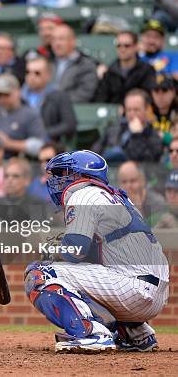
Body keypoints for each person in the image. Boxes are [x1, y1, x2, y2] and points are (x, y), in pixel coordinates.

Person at [25, 150, 169, 352]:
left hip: (131, 288)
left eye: (64, 173)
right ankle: (135, 333)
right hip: (155, 293)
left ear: (84, 175)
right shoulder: (117, 197)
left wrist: (48, 250)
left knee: (40, 274)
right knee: (86, 274)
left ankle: (92, 334)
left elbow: (74, 251)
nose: (58, 180)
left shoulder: (84, 194)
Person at [94, 89, 164, 163]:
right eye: (129, 110)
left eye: (136, 110)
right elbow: (95, 153)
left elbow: (147, 161)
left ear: (146, 110)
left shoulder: (154, 135)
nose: (132, 114)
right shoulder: (114, 130)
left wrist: (137, 135)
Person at [21, 55, 76, 141]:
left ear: (48, 75)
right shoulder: (17, 96)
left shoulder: (59, 96)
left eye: (37, 73)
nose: (31, 76)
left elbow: (69, 124)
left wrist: (44, 133)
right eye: (28, 72)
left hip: (49, 143)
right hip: (20, 142)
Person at [94, 31, 156, 104]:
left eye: (127, 46)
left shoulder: (147, 70)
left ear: (136, 46)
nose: (122, 49)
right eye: (118, 46)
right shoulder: (109, 72)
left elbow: (149, 98)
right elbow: (100, 99)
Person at [51, 24, 98, 103]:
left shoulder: (85, 65)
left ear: (73, 41)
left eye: (61, 39)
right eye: (54, 39)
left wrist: (56, 101)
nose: (57, 44)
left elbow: (84, 94)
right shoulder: (47, 62)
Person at [0, 157, 47, 222]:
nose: (9, 180)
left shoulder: (36, 204)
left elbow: (39, 230)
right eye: (6, 176)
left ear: (27, 180)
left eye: (15, 176)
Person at [117, 160, 165, 225]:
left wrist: (138, 209)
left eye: (133, 181)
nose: (129, 186)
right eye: (124, 182)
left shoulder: (157, 202)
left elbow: (155, 232)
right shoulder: (115, 203)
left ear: (143, 181)